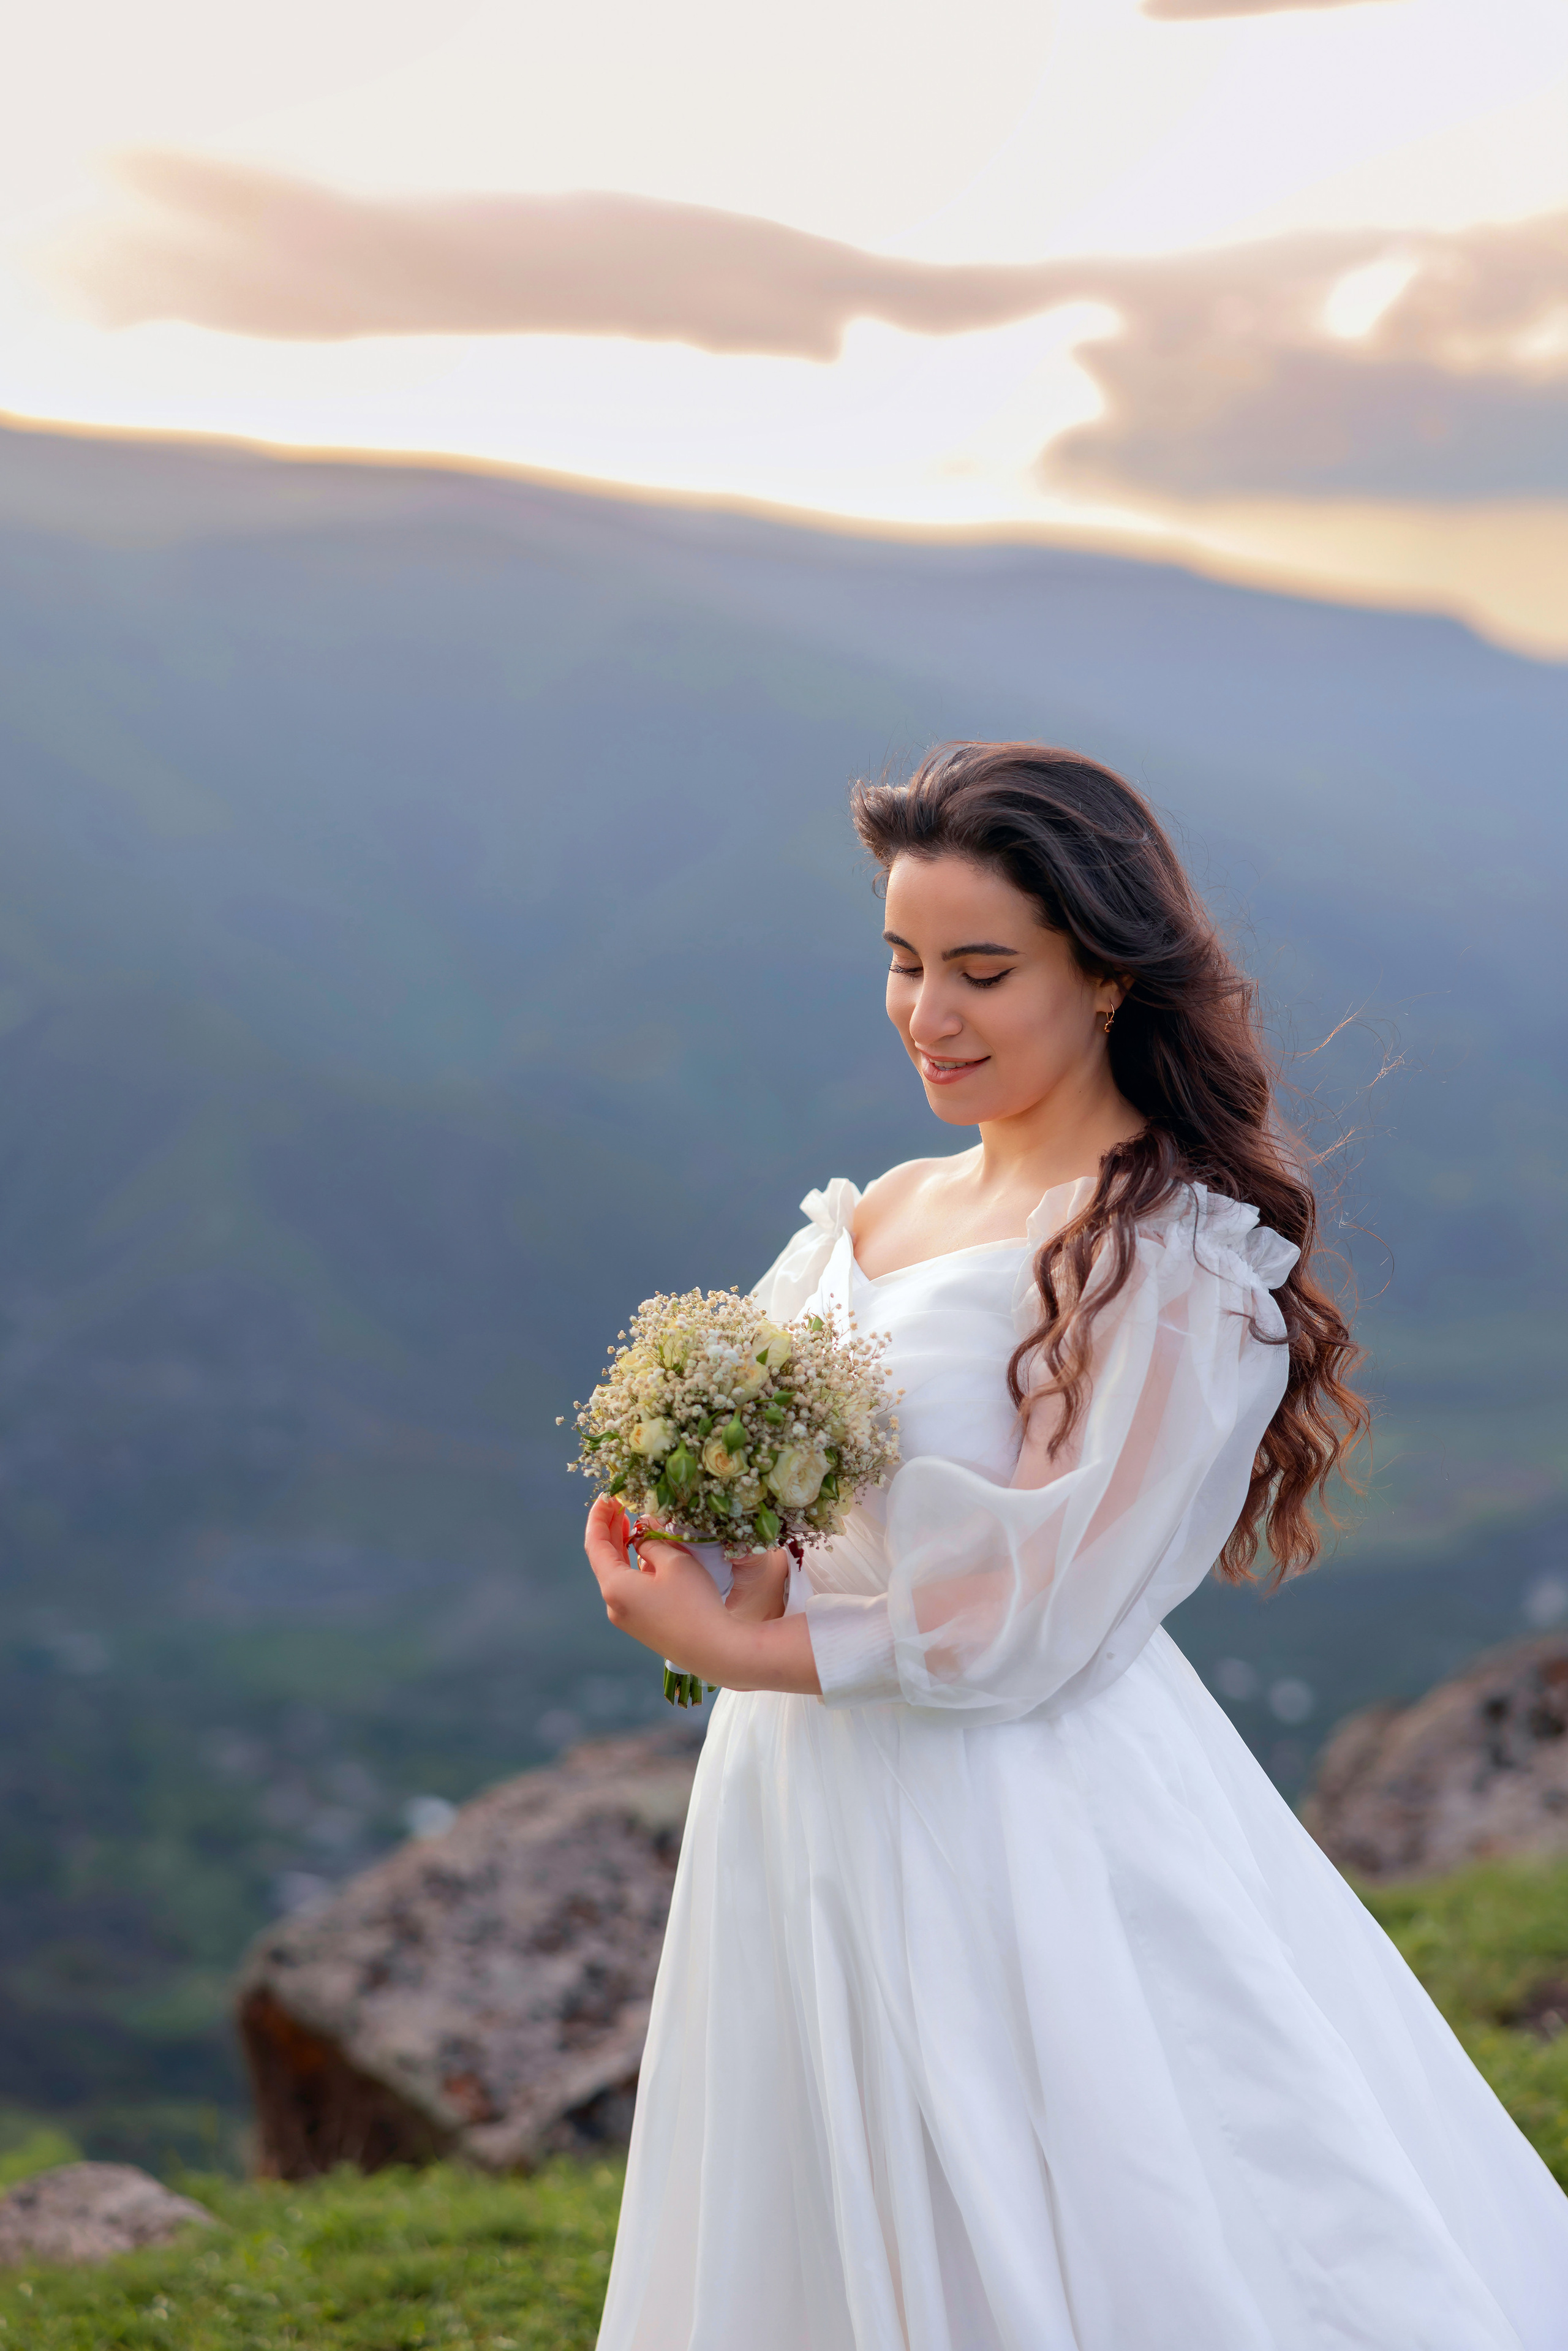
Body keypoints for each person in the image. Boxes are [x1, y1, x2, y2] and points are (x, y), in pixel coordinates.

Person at [584, 743, 1568, 2350]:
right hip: (802, 1786)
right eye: (903, 963)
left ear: (1108, 974)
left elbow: (1041, 1608)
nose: (929, 1014)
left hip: (1010, 1806)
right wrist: (710, 1546)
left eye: (983, 972)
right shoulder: (877, 1211)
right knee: (814, 2197)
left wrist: (736, 1650)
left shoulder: (1167, 1253)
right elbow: (803, 1512)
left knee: (1095, 2210)